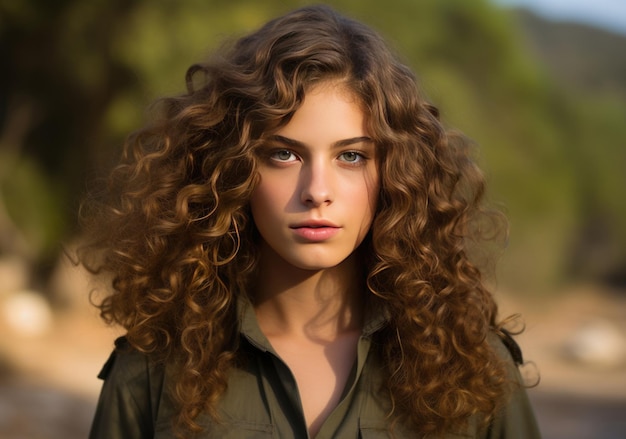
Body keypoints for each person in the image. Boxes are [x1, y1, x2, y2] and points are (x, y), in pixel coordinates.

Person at [79, 4, 541, 438]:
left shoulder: (475, 370)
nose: (317, 190)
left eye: (352, 156)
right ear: (232, 169)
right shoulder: (152, 370)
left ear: (396, 174)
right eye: (283, 154)